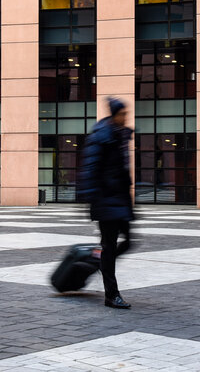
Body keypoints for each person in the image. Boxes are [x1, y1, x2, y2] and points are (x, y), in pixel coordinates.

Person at [77, 97, 134, 309]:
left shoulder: (120, 136)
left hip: (120, 199)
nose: (125, 117)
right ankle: (112, 294)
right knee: (109, 246)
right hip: (105, 200)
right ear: (113, 115)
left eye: (126, 114)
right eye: (122, 114)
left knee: (129, 241)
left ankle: (97, 260)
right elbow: (90, 168)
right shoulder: (101, 136)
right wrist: (90, 197)